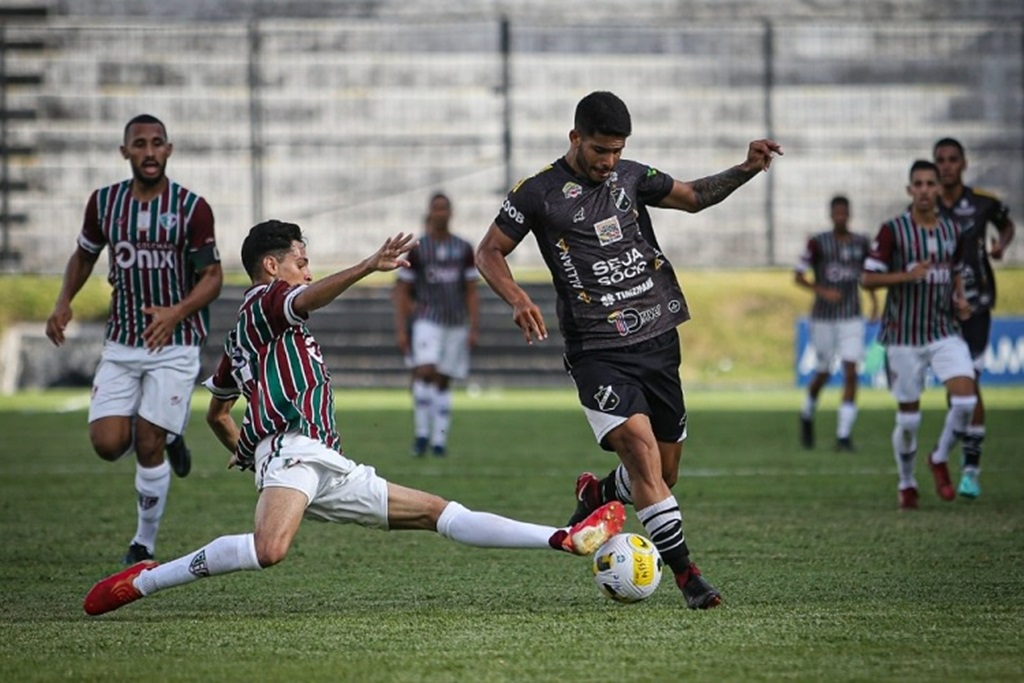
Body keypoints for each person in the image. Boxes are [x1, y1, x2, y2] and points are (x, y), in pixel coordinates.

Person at [83, 220, 625, 616]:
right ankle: (148, 579)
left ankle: (565, 537)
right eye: (300, 260)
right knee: (269, 550)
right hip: (296, 451)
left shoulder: (252, 334)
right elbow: (305, 302)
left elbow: (218, 410)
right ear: (273, 267)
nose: (306, 270)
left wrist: (245, 452)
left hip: (325, 463)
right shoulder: (266, 300)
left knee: (439, 513)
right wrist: (367, 265)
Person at [475, 91, 782, 609]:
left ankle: (598, 494)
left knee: (663, 473)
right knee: (641, 454)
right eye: (599, 150)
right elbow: (489, 251)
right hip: (596, 348)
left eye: (616, 151)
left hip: (658, 337)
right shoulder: (538, 192)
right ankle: (688, 575)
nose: (608, 161)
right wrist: (517, 297)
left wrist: (748, 168)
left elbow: (692, 196)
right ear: (575, 139)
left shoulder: (633, 176)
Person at [45, 114, 223, 564]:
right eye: (139, 144)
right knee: (107, 445)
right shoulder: (104, 204)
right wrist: (64, 300)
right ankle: (172, 431)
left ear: (169, 149)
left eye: (156, 143)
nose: (148, 151)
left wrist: (176, 311)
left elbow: (213, 277)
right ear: (125, 151)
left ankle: (142, 543)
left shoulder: (191, 207)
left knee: (147, 443)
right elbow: (84, 256)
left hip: (175, 342)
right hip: (122, 343)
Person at [862, 160, 976, 511]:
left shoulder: (953, 230)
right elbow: (868, 279)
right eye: (919, 184)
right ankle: (906, 482)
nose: (925, 190)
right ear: (910, 190)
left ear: (939, 189)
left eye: (931, 184)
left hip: (943, 330)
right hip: (903, 335)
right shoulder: (893, 230)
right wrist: (906, 275)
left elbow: (956, 270)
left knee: (966, 402)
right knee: (908, 419)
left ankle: (939, 457)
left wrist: (960, 298)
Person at [933, 138, 1016, 499]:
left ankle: (970, 469)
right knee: (957, 388)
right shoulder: (927, 204)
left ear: (964, 163)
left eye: (953, 160)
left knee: (971, 382)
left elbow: (1006, 224)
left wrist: (1001, 243)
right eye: (941, 161)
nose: (947, 166)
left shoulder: (982, 201)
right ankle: (952, 459)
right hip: (938, 307)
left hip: (978, 304)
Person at [392, 192, 480, 457]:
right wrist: (401, 328)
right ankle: (421, 435)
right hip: (427, 320)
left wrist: (474, 325)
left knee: (443, 379)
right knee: (424, 371)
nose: (441, 213)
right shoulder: (418, 249)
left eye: (445, 208)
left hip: (455, 322)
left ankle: (439, 439)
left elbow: (471, 290)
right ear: (430, 212)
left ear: (450, 213)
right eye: (436, 209)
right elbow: (402, 289)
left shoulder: (463, 248)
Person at [794, 195, 878, 452]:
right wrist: (823, 290)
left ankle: (843, 436)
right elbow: (798, 275)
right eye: (837, 213)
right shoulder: (818, 243)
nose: (841, 217)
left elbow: (868, 275)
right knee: (824, 371)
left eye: (844, 213)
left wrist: (874, 301)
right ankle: (807, 412)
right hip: (824, 317)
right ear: (831, 215)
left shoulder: (862, 242)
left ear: (849, 214)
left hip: (852, 315)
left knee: (851, 370)